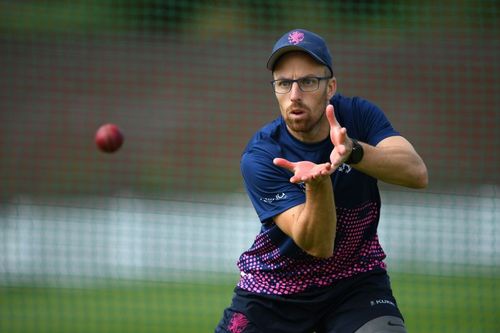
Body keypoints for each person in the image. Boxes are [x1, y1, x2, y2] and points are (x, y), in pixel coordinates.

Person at [215, 29, 428, 333]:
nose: (294, 95)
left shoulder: (359, 115)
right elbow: (317, 245)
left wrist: (353, 151)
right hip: (275, 292)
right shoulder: (262, 156)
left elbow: (416, 173)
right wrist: (318, 183)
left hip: (355, 281)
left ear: (331, 88)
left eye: (308, 82)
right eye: (283, 83)